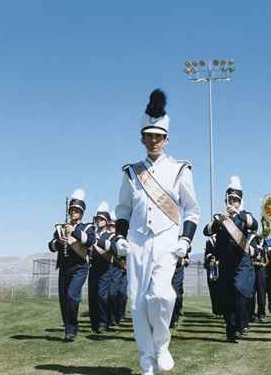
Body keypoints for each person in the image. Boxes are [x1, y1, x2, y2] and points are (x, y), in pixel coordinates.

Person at [111, 89, 200, 375]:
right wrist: (120, 237)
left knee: (163, 296)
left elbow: (192, 209)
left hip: (166, 241)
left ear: (167, 139)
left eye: (158, 136)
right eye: (149, 136)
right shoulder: (131, 173)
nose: (153, 141)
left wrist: (186, 240)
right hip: (137, 242)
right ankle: (146, 358)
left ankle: (161, 344)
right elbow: (123, 209)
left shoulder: (179, 169)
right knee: (137, 303)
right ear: (142, 138)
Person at [203, 176, 257, 343]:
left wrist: (238, 214)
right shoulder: (220, 218)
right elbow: (207, 231)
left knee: (239, 290)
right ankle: (231, 329)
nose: (233, 202)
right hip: (225, 262)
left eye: (236, 200)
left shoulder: (244, 215)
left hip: (241, 262)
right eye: (230, 199)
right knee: (227, 296)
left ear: (240, 201)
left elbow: (254, 225)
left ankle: (241, 324)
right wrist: (221, 219)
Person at [48, 189, 95, 341]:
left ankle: (72, 327)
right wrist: (58, 242)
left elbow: (90, 241)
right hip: (64, 266)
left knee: (72, 295)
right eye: (72, 210)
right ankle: (69, 328)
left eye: (77, 210)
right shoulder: (61, 228)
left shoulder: (87, 227)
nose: (73, 212)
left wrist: (73, 232)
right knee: (63, 299)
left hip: (80, 267)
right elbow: (50, 245)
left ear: (81, 213)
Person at [88, 201, 116, 333]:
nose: (99, 221)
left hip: (106, 268)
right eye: (97, 218)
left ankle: (103, 323)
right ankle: (94, 323)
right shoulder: (92, 233)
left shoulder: (110, 236)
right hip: (93, 267)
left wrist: (96, 245)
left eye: (102, 219)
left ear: (106, 221)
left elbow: (110, 254)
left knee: (102, 295)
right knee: (92, 295)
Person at [204, 236, 221, 316]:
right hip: (211, 267)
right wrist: (210, 257)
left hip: (221, 267)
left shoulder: (222, 237)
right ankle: (216, 310)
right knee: (213, 289)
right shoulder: (209, 241)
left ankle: (222, 310)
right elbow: (207, 253)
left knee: (221, 290)